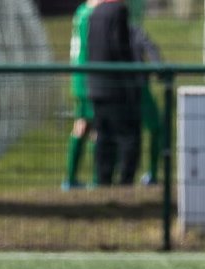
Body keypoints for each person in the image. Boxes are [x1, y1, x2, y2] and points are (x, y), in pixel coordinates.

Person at [87, 0, 141, 186]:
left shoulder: (95, 12)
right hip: (116, 87)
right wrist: (131, 80)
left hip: (96, 85)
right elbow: (121, 48)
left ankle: (103, 180)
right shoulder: (118, 10)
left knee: (104, 137)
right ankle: (126, 182)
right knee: (129, 136)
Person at [63, 0, 100, 190]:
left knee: (84, 124)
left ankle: (72, 179)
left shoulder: (82, 11)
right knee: (92, 127)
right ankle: (96, 179)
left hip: (80, 79)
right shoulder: (90, 15)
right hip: (88, 79)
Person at [131, 23, 165, 186]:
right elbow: (151, 50)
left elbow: (151, 50)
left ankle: (151, 172)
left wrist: (158, 68)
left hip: (127, 87)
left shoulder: (134, 30)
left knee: (155, 128)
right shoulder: (133, 30)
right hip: (133, 86)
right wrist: (159, 70)